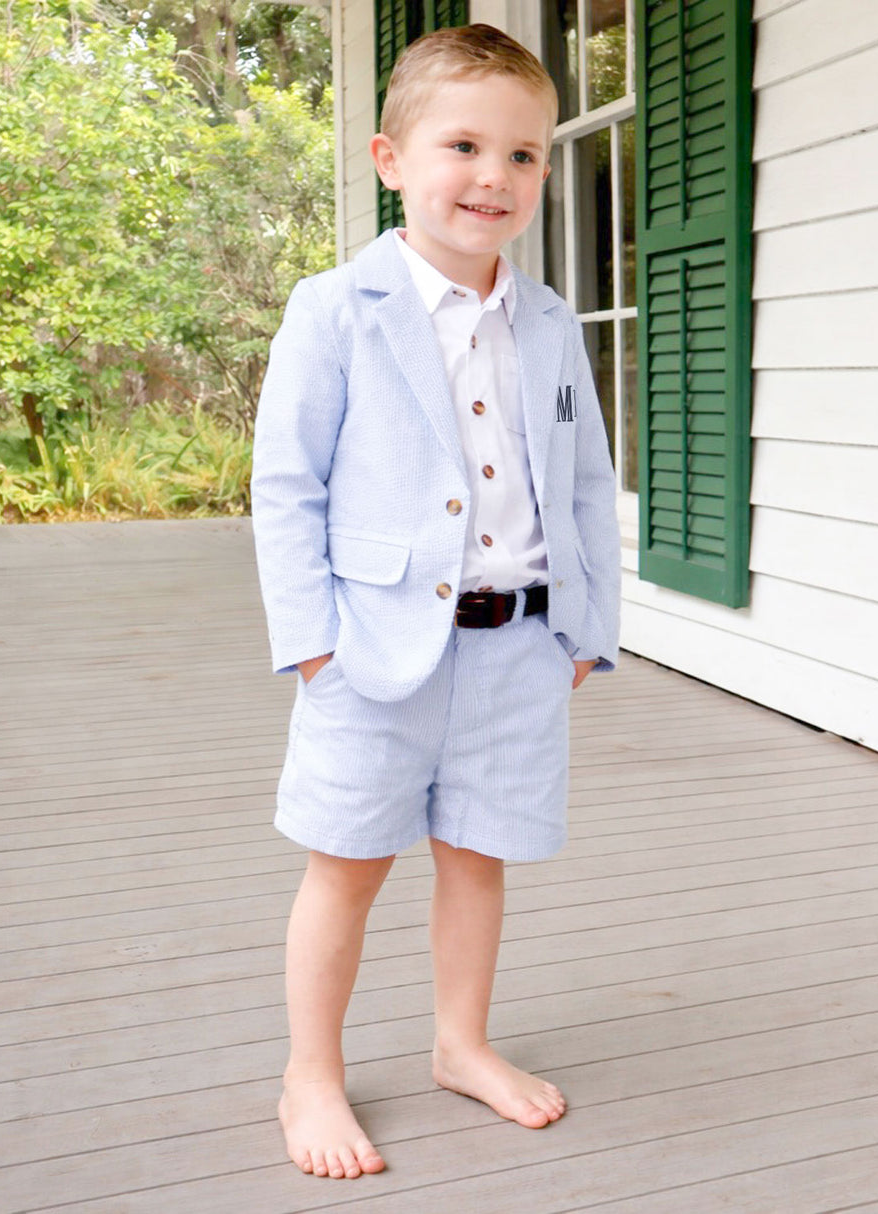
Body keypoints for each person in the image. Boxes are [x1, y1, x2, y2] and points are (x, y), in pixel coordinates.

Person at [250, 22, 621, 1182]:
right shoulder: (336, 306)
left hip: (516, 645)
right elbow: (284, 483)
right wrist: (311, 645)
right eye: (462, 144)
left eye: (522, 153)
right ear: (388, 157)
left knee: (477, 855)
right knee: (346, 861)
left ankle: (460, 1042)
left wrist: (584, 627)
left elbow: (584, 480)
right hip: (370, 651)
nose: (493, 176)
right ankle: (309, 1068)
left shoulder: (551, 322)